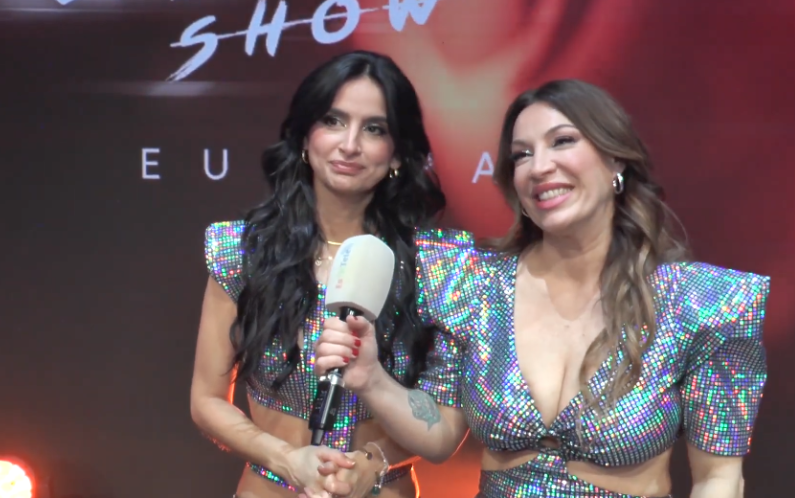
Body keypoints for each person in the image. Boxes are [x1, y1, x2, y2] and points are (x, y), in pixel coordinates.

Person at [312, 79, 770, 497]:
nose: (539, 167)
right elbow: (440, 435)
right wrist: (372, 379)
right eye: (522, 155)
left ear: (616, 159)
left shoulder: (702, 303)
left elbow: (718, 478)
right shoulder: (474, 285)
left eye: (562, 141)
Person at [191, 50, 470, 498]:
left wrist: (371, 463)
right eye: (333, 121)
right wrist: (287, 460)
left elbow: (443, 431)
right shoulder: (242, 251)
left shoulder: (440, 266)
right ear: (305, 136)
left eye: (374, 129)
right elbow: (206, 401)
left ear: (397, 153)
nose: (350, 144)